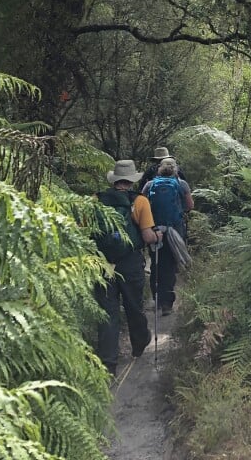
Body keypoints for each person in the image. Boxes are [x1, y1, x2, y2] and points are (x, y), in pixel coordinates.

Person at [94, 160, 161, 375]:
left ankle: (108, 364)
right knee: (134, 306)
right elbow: (147, 236)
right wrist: (158, 236)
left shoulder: (95, 200)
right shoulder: (140, 202)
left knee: (108, 312)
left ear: (114, 179)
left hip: (102, 262)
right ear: (132, 180)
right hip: (130, 262)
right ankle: (139, 344)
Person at [143, 157, 193, 315]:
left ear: (159, 169)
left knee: (156, 262)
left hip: (154, 229)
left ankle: (155, 299)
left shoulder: (150, 184)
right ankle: (167, 305)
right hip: (174, 229)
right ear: (175, 169)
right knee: (170, 265)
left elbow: (142, 204)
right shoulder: (181, 184)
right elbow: (190, 205)